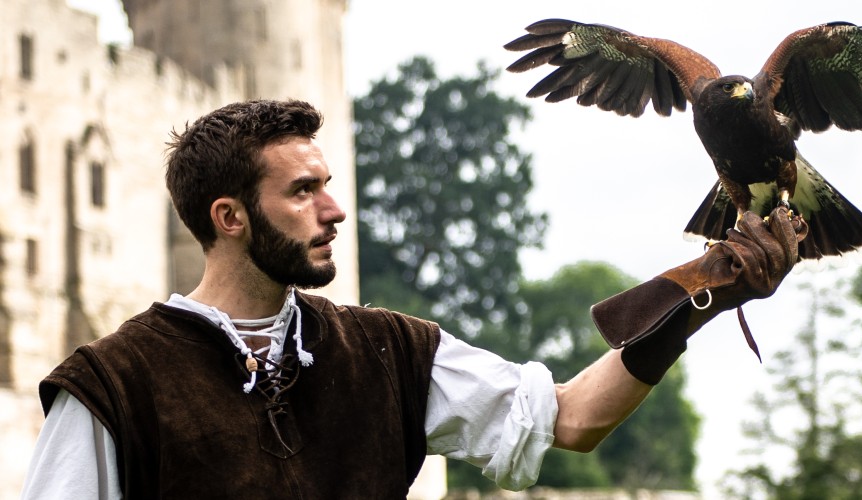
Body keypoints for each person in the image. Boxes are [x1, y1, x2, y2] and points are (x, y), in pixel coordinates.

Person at [21, 99, 806, 498]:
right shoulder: (111, 388)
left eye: (330, 186)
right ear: (229, 217)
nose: (334, 211)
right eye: (303, 192)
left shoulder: (387, 354)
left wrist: (702, 292)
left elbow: (568, 418)